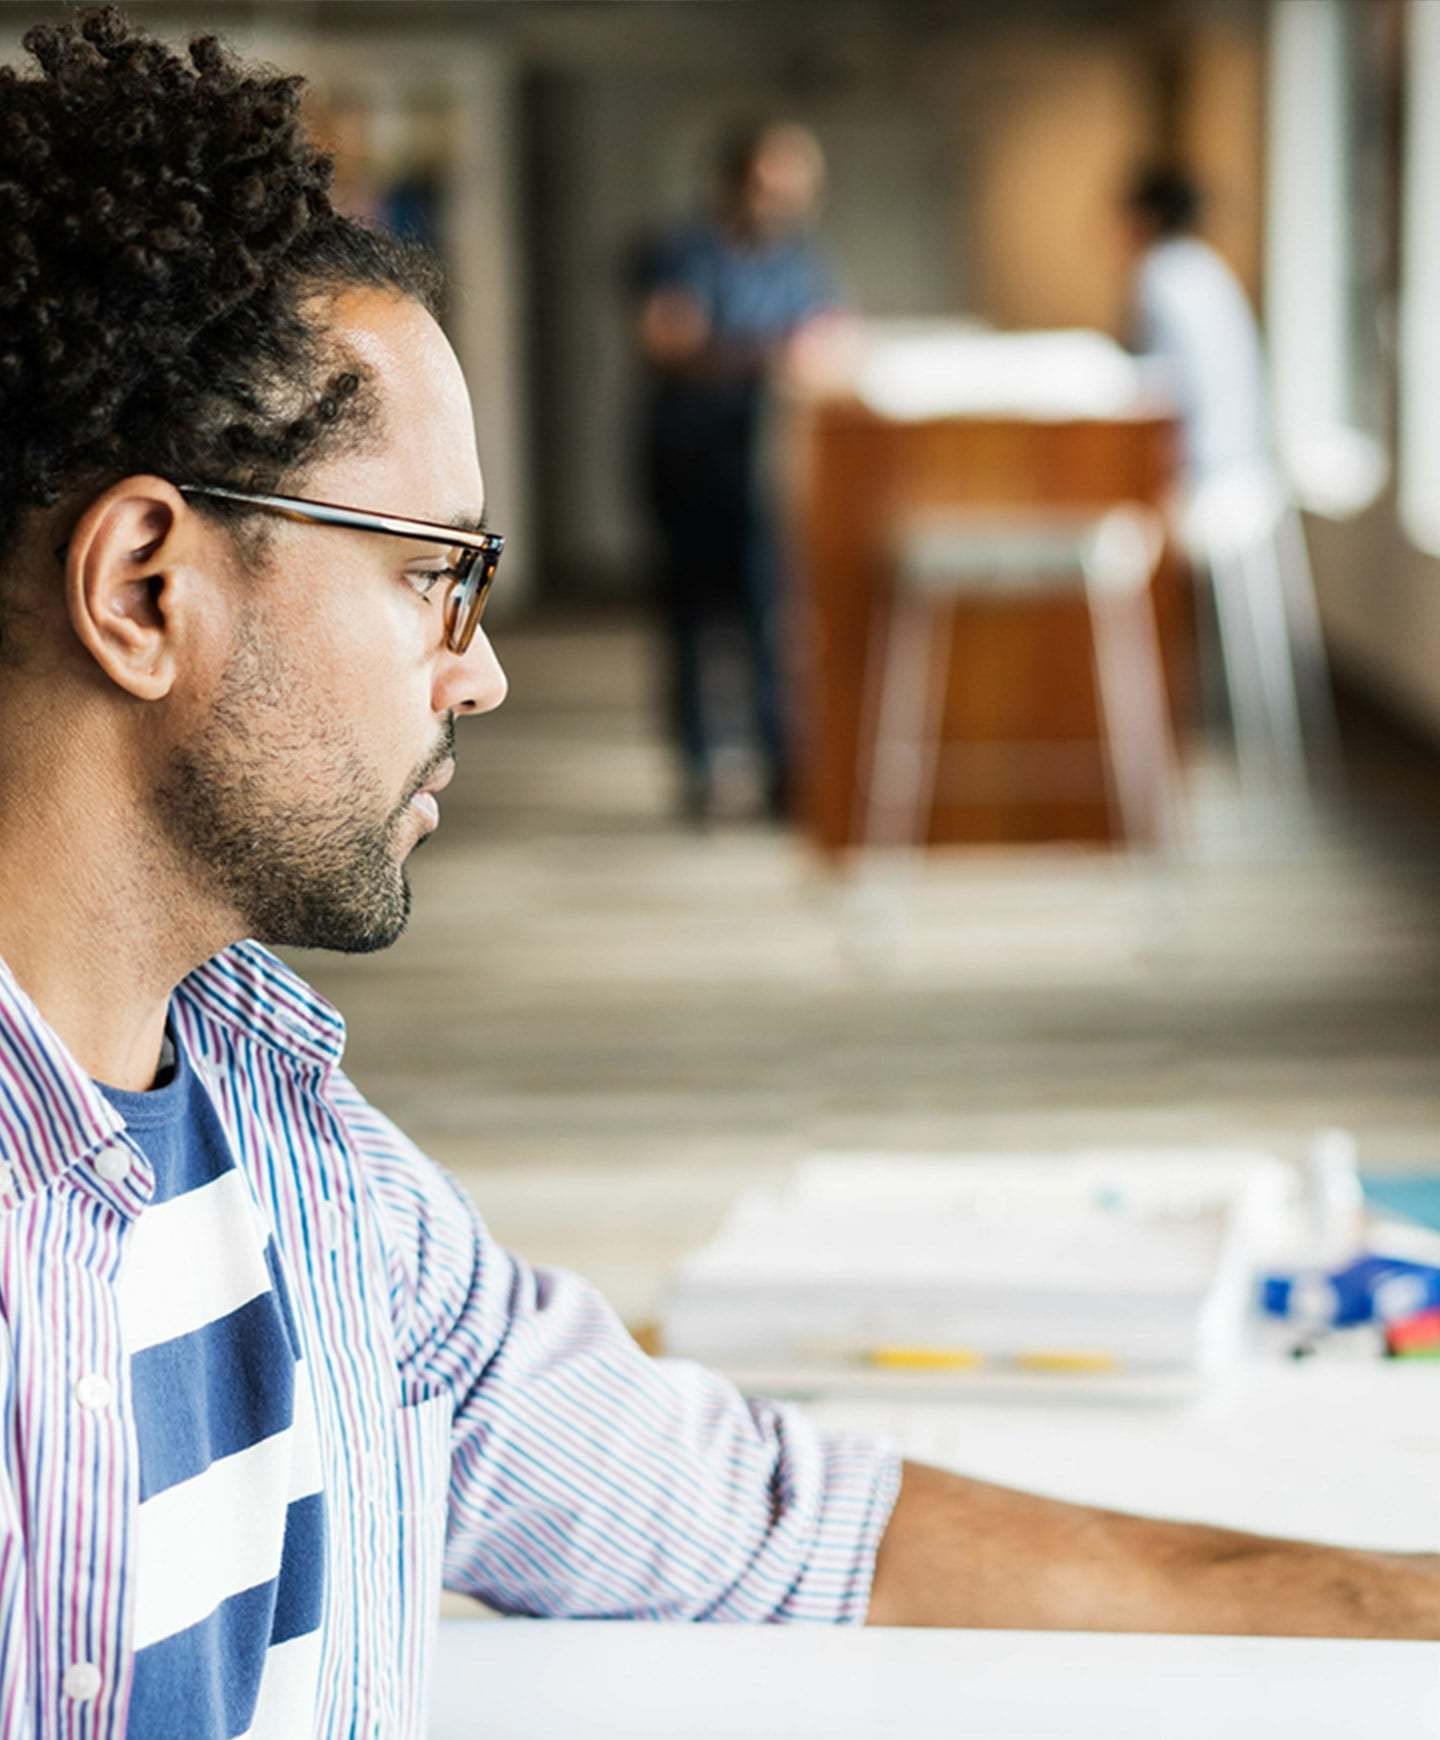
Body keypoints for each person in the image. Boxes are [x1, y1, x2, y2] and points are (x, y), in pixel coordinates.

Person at [0, 13, 1434, 1737]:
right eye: (428, 577)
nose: (481, 670)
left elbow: (771, 1525)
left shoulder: (320, 1183)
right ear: (147, 590)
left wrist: (1386, 1605)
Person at [633, 119, 843, 822]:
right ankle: (701, 773)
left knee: (772, 619)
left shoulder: (801, 262)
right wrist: (773, 355)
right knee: (695, 620)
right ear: (736, 181)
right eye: (770, 180)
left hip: (769, 468)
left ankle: (784, 773)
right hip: (691, 461)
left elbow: (835, 340)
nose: (783, 196)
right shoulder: (686, 252)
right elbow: (669, 338)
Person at [1124, 164, 1273, 487]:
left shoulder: (1162, 274)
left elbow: (1163, 388)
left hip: (1206, 472)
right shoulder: (1206, 266)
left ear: (1144, 218)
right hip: (1245, 462)